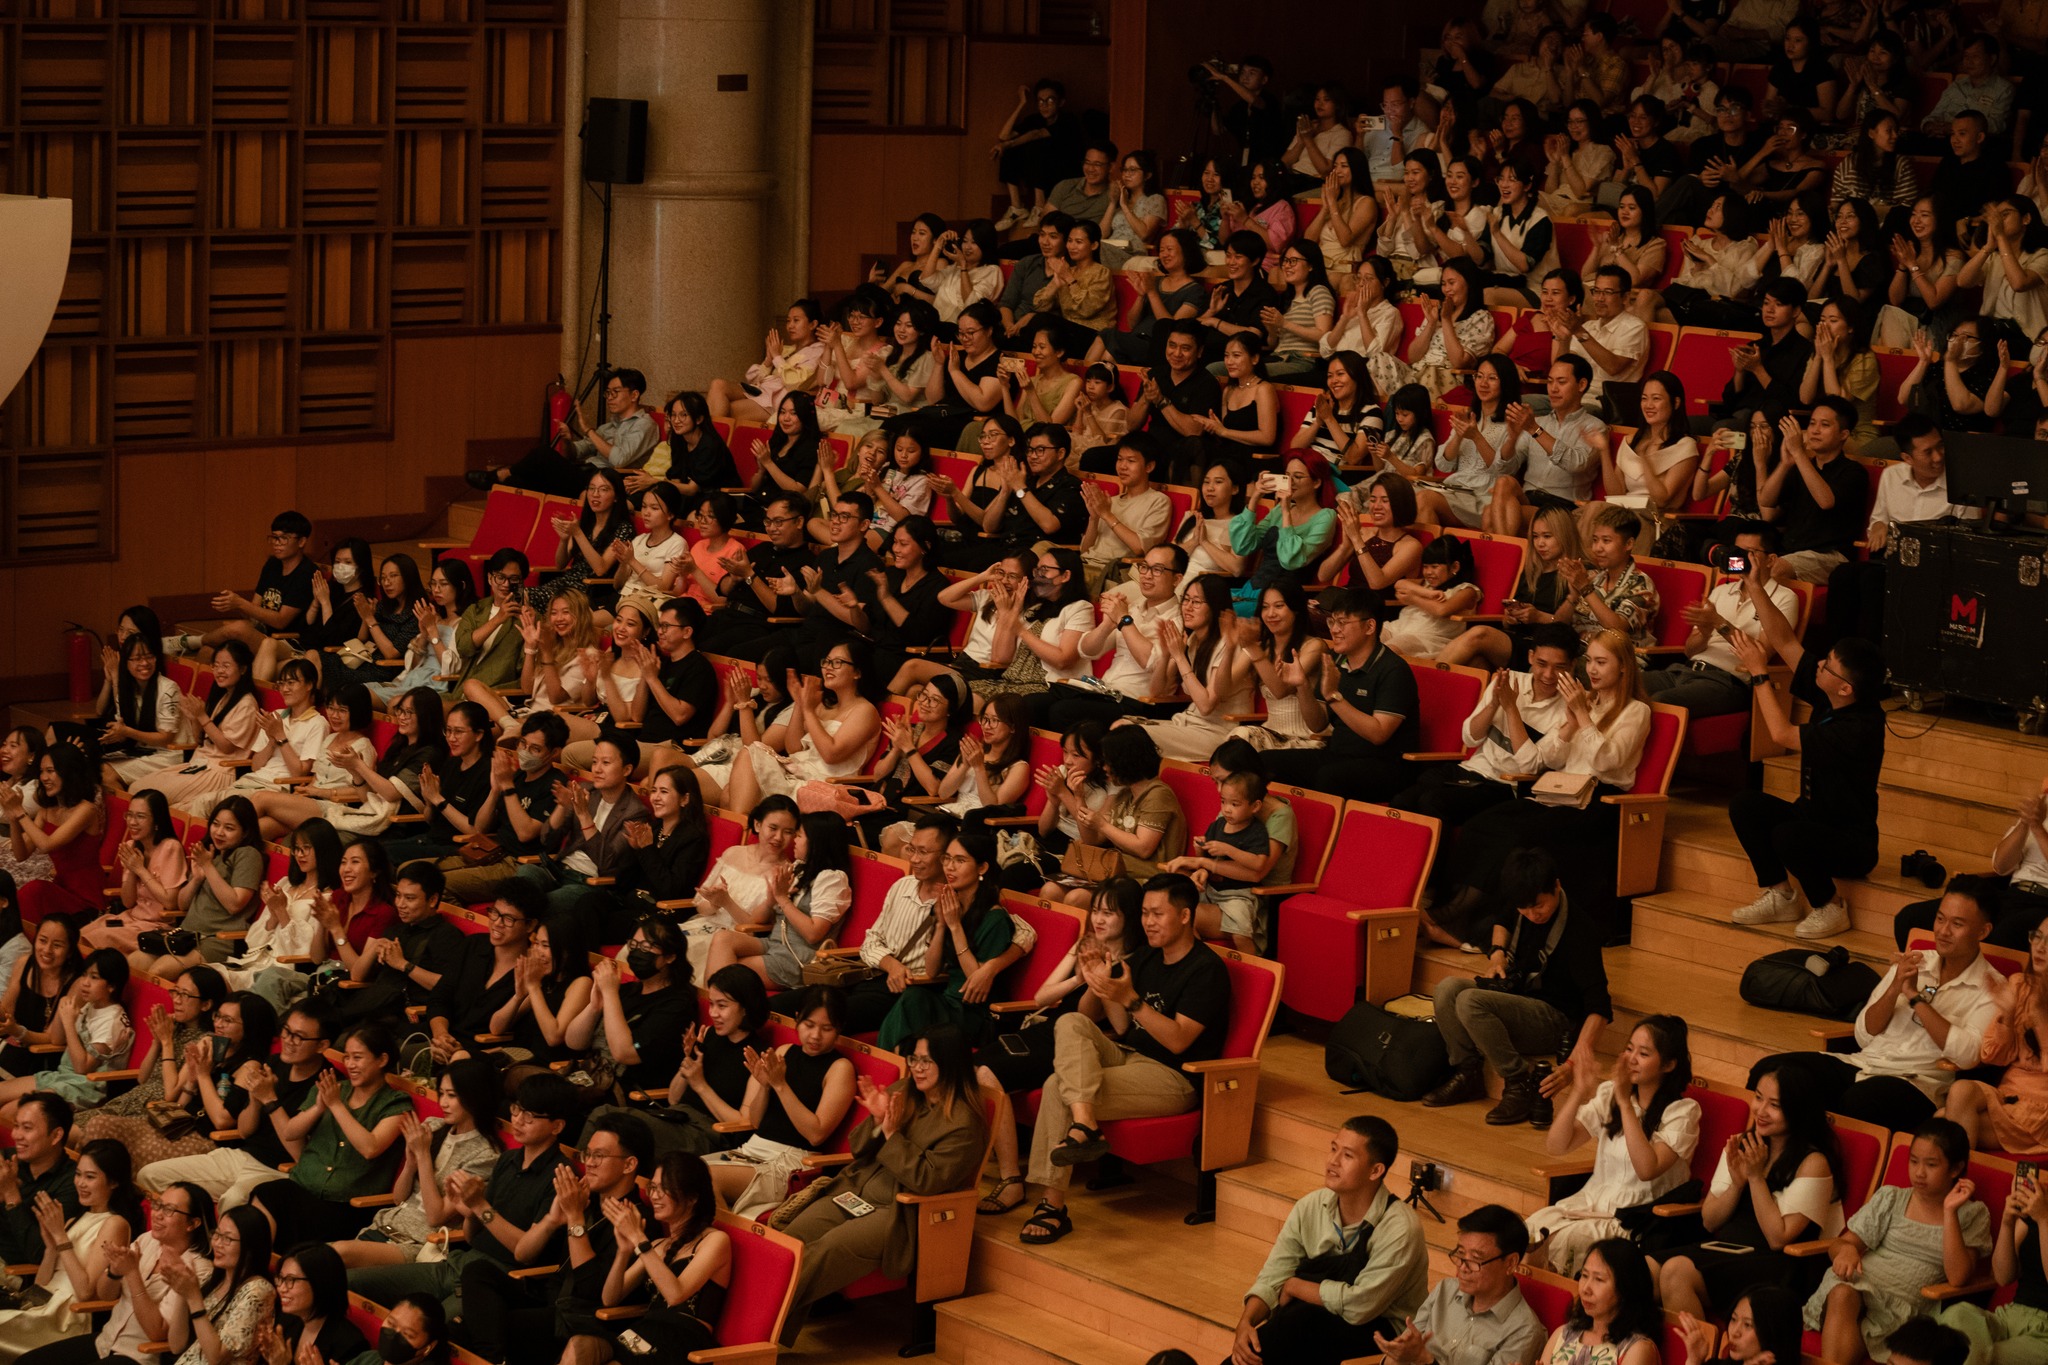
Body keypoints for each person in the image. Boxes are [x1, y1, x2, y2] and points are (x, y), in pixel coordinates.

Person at [1017, 874, 1230, 1246]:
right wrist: (1099, 981)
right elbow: (1113, 1022)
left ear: (1184, 916)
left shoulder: (1205, 969)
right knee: (1070, 1021)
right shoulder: (1147, 956)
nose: (1147, 922)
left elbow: (1178, 1040)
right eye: (1144, 913)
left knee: (1057, 1086)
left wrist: (1130, 998)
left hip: (1174, 1077)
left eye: (1157, 914)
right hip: (1130, 1055)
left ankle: (1052, 1206)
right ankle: (1085, 1123)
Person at [777, 1026, 988, 1343]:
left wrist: (891, 1134)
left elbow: (926, 1181)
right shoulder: (904, 1090)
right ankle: (766, 1327)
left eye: (927, 1061)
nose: (917, 1068)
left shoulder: (964, 1124)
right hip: (854, 1190)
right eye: (914, 1058)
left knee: (825, 1250)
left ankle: (759, 1329)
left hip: (897, 1212)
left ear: (950, 1064)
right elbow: (858, 1147)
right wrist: (876, 1122)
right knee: (789, 1242)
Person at [1754, 877, 2002, 1131]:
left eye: (1957, 924)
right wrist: (1895, 987)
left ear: (1983, 931)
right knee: (1770, 1073)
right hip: (1863, 1064)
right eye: (1940, 919)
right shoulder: (1916, 961)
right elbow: (1864, 1034)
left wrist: (1915, 998)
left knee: (1859, 1101)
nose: (1943, 931)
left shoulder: (1992, 989)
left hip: (1917, 1084)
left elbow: (1968, 1055)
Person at [1725, 575, 1886, 938]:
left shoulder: (1858, 727)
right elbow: (1784, 641)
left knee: (1788, 835)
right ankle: (1781, 896)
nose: (1819, 664)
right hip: (1813, 818)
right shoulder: (1834, 695)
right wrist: (1756, 587)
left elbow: (1781, 733)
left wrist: (1759, 673)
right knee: (1746, 805)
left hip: (1851, 842)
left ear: (1845, 688)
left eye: (1827, 665)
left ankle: (1830, 906)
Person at [341, 1072, 577, 1319]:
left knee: (426, 1325)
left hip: (498, 1279)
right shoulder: (508, 1160)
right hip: (460, 1263)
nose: (517, 1120)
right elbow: (472, 1237)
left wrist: (480, 1207)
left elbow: (524, 1251)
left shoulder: (561, 1177)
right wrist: (469, 1211)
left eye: (529, 1116)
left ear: (557, 1126)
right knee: (346, 1282)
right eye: (517, 1110)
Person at [1425, 849, 1613, 1127]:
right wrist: (1497, 954)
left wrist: (1573, 1063)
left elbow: (1599, 1004)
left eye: (1539, 906)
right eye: (1523, 909)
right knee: (1447, 989)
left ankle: (1518, 1083)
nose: (1532, 914)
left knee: (1470, 1001)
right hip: (1521, 999)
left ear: (1556, 886)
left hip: (1556, 1018)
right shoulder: (1522, 904)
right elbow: (1503, 919)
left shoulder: (1580, 930)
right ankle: (1467, 1073)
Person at [454, 1111, 655, 1365]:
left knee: (478, 1329)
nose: (590, 1163)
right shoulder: (585, 1199)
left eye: (600, 1156)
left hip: (584, 1319)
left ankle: (493, 1358)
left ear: (629, 1165)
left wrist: (575, 1218)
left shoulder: (637, 1220)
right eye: (588, 1154)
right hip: (550, 1298)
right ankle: (495, 1359)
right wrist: (552, 1219)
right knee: (477, 1272)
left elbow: (591, 1289)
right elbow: (523, 1253)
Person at [1230, 1116, 1428, 1365]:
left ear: (1375, 1171)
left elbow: (1361, 1306)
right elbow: (1274, 1275)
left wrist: (1295, 1286)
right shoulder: (1310, 1206)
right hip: (1317, 1315)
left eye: (1347, 1155)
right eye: (1333, 1148)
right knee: (1291, 1327)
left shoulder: (1400, 1227)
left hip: (1386, 1328)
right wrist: (1246, 1322)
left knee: (1301, 1324)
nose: (1333, 1161)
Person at [1661, 1060, 1847, 1318]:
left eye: (1775, 1105)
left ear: (1798, 1110)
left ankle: (1699, 1345)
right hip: (1724, 1250)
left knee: (1675, 1271)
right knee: (1638, 1270)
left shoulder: (1813, 1162)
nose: (1761, 1110)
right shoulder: (1744, 1144)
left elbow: (1778, 1238)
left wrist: (1756, 1177)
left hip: (1776, 1267)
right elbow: (1709, 1219)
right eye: (1759, 1098)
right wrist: (1737, 1184)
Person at [1525, 1016, 1702, 1275]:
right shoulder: (1610, 1092)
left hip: (1634, 1221)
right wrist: (1579, 1091)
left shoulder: (1682, 1112)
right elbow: (1557, 1145)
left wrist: (1624, 1101)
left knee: (1563, 1242)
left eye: (1643, 1053)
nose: (1631, 1059)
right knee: (1528, 1232)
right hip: (1588, 1204)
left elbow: (1647, 1169)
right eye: (1629, 1049)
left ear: (1669, 1064)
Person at [1803, 1119, 1989, 1365]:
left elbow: (1958, 1277)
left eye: (1931, 1164)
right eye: (1914, 1161)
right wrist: (1846, 1251)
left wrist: (1949, 1212)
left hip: (1902, 1309)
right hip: (1857, 1288)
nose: (1919, 1172)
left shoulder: (1973, 1214)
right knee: (1842, 1293)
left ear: (1955, 1169)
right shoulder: (1891, 1198)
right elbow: (1842, 1244)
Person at [1396, 625, 1581, 832]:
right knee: (1403, 800)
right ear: (1531, 657)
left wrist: (1510, 709)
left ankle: (1439, 853)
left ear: (1572, 665)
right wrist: (1493, 704)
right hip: (1472, 770)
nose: (1548, 675)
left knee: (1433, 802)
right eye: (1542, 664)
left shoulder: (1570, 708)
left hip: (1505, 785)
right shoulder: (1509, 680)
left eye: (1559, 667)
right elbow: (1470, 738)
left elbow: (1531, 767)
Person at [326, 1059, 502, 1275]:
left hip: (418, 1244)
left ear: (476, 1097)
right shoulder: (432, 1126)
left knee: (334, 1256)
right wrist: (411, 1163)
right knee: (316, 1260)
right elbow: (399, 1198)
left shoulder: (485, 1156)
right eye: (441, 1094)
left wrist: (423, 1156)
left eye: (452, 1095)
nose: (443, 1103)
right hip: (383, 1225)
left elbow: (435, 1217)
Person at [1263, 586, 1419, 803]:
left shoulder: (1393, 669)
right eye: (1332, 622)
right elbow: (1316, 724)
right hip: (1338, 755)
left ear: (1369, 626)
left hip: (1385, 765)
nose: (1334, 630)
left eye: (1342, 623)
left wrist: (1334, 696)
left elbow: (1378, 734)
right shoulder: (1336, 661)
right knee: (1264, 762)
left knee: (1329, 777)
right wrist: (1302, 686)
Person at [1644, 522, 1798, 715]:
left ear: (1771, 560)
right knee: (1623, 684)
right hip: (1686, 670)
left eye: (1749, 552)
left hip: (1728, 681)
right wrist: (1705, 633)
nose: (1738, 557)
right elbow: (1690, 651)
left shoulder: (1784, 598)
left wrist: (1718, 622)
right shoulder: (1721, 590)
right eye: (1736, 551)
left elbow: (1762, 653)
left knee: (1661, 702)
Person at [1375, 1203, 1547, 1365]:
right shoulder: (1445, 1290)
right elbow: (1404, 1351)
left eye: (1476, 1259)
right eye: (1461, 1254)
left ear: (1510, 1263)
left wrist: (1425, 1360)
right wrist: (1396, 1354)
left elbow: (1419, 1356)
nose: (1463, 1267)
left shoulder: (1524, 1331)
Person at [1933, 1163, 2048, 1365]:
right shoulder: (2041, 1203)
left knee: (1989, 1357)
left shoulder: (2042, 1212)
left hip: (2044, 1334)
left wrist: (2044, 1220)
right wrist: (2008, 1220)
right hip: (2011, 1315)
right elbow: (2003, 1277)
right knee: (1956, 1316)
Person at [166, 511, 316, 657]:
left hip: (292, 644)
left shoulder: (307, 573)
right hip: (264, 634)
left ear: (301, 541)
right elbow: (254, 610)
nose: (277, 543)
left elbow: (280, 621)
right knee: (207, 651)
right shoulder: (273, 564)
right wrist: (234, 604)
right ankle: (192, 645)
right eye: (274, 537)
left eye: (284, 538)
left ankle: (189, 642)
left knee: (239, 628)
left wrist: (240, 604)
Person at [156, 1204, 276, 1365]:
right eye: (217, 1234)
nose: (217, 1243)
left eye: (227, 1238)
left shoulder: (259, 1291)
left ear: (250, 1246)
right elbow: (177, 1346)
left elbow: (217, 1358)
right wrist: (182, 1291)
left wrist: (193, 1298)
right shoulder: (213, 1281)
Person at [1531, 1240, 1663, 1365]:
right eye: (1584, 1275)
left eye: (1599, 1279)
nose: (1585, 1289)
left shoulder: (1637, 1349)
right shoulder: (1563, 1334)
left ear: (1626, 1288)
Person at [0, 1096, 79, 1267]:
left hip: (13, 1271)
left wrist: (11, 1195)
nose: (15, 1135)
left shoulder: (73, 1183)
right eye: (16, 1126)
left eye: (27, 1128)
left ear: (56, 1135)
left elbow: (40, 1254)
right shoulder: (8, 1160)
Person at [256, 1243, 367, 1365]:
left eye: (291, 1280)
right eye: (280, 1278)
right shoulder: (287, 1319)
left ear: (320, 1283)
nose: (281, 1288)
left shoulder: (350, 1345)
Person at [993, 81, 1083, 231]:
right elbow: (1004, 136)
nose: (1044, 105)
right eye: (1040, 101)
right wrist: (1022, 103)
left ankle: (1040, 206)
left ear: (1061, 102)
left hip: (1065, 172)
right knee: (1009, 151)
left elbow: (1038, 134)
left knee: (1036, 145)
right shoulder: (1035, 119)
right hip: (1040, 171)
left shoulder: (1068, 119)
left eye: (1050, 100)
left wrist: (1007, 144)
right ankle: (1017, 208)